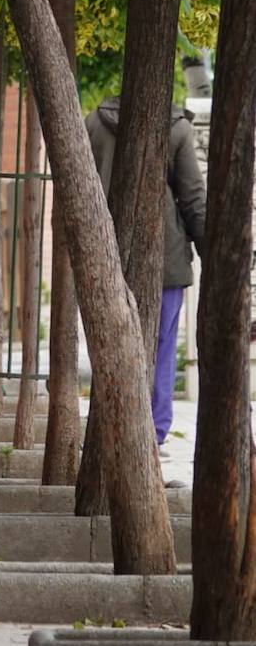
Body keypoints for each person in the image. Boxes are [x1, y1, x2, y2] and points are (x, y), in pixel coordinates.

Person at [86, 96, 206, 450]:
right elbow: (193, 198)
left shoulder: (93, 124)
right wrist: (209, 252)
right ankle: (153, 432)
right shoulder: (176, 128)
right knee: (162, 347)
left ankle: (111, 428)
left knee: (110, 344)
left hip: (106, 257)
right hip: (165, 260)